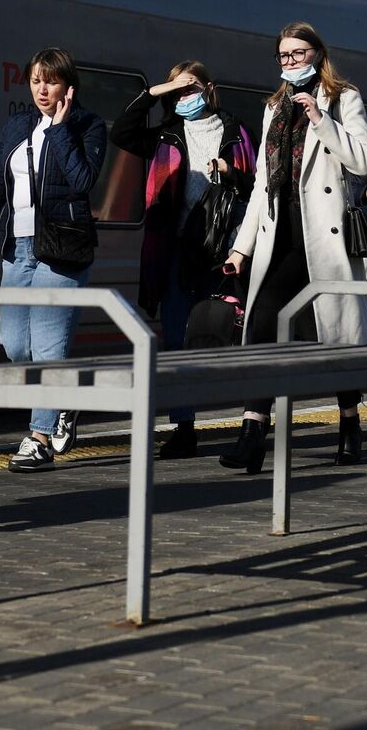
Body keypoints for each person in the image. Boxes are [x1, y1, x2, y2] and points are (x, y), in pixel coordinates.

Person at [219, 23, 367, 473]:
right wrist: (240, 248)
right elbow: (261, 185)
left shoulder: (343, 98)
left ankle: (349, 422)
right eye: (284, 56)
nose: (291, 62)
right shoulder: (274, 107)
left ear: (318, 54)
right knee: (263, 323)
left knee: (337, 339)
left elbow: (364, 160)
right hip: (280, 234)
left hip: (322, 236)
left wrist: (321, 121)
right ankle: (252, 432)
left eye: (298, 53)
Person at [0, 48, 108, 473]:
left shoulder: (89, 126)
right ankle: (62, 400)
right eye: (37, 81)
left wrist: (59, 131)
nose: (43, 89)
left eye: (52, 81)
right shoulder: (16, 126)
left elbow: (82, 182)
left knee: (47, 347)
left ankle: (38, 438)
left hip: (62, 250)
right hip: (17, 248)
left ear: (68, 86)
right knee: (14, 343)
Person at [110, 60, 256, 459]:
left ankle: (251, 425)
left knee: (234, 337)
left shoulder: (235, 131)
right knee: (176, 339)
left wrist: (230, 171)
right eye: (177, 92)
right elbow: (121, 132)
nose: (183, 97)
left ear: (209, 89)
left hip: (226, 251)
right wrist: (157, 90)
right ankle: (184, 427)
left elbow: (260, 184)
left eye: (190, 88)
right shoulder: (165, 135)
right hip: (175, 249)